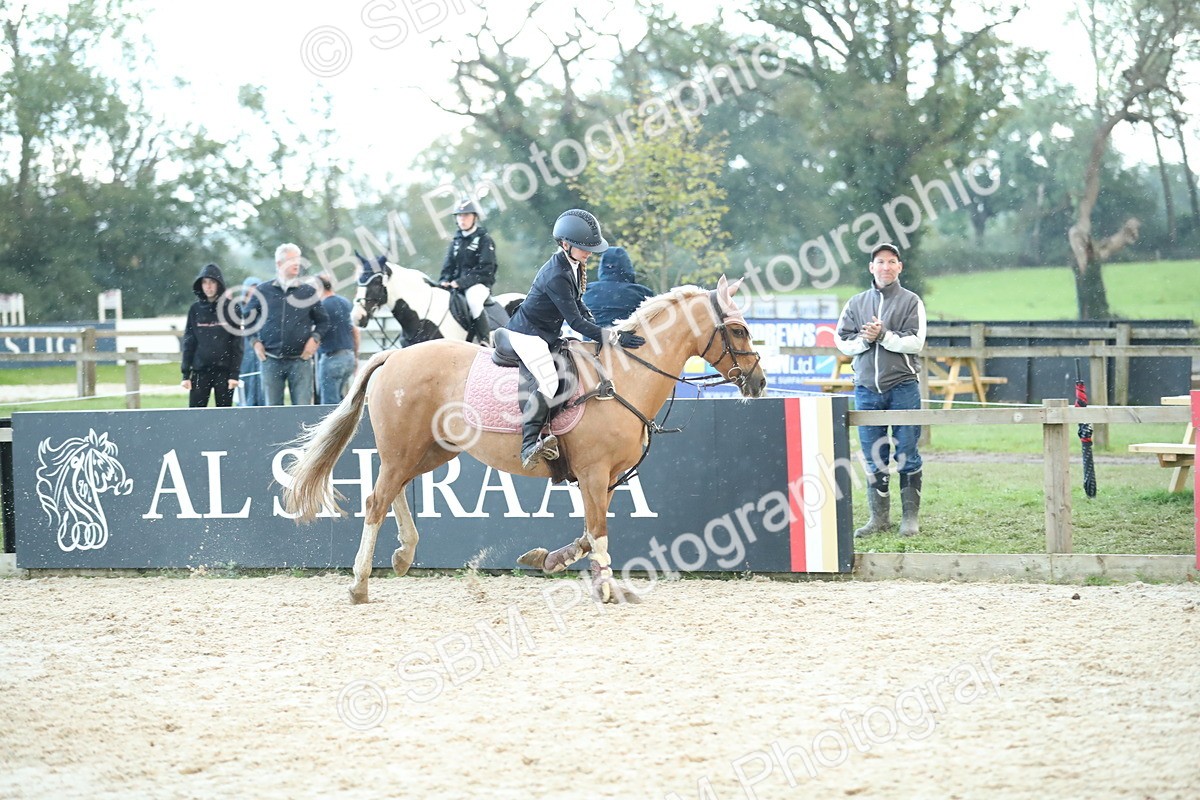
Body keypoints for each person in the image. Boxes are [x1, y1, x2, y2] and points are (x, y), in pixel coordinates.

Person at [500, 209, 645, 469]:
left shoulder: (574, 265)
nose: (589, 252)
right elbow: (576, 322)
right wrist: (613, 337)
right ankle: (529, 444)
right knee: (549, 379)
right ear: (565, 244)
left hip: (547, 333)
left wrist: (603, 330)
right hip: (528, 334)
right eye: (583, 247)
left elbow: (579, 306)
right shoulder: (556, 275)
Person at [834, 242, 927, 538]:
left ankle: (909, 519)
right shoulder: (855, 302)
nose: (885, 267)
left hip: (903, 387)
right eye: (880, 262)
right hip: (865, 390)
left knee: (907, 452)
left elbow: (916, 342)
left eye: (891, 262)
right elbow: (842, 341)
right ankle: (879, 519)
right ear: (871, 267)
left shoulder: (912, 301)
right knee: (873, 456)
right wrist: (866, 340)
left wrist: (884, 335)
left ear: (899, 267)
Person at [243, 243, 330, 406]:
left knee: (302, 412)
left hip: (301, 361)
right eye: (292, 260)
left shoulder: (308, 292)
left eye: (298, 259)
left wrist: (315, 339)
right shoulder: (263, 290)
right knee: (272, 413)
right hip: (270, 360)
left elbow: (323, 321)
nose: (297, 263)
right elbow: (247, 319)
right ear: (279, 264)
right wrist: (254, 342)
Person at [180, 263, 243, 408]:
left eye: (212, 282)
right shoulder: (195, 310)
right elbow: (189, 342)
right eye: (205, 282)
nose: (208, 286)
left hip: (224, 373)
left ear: (219, 284)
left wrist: (234, 374)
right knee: (196, 415)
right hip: (200, 372)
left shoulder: (232, 308)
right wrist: (186, 374)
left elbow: (237, 344)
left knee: (224, 416)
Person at [439, 198, 498, 344]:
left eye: (466, 215)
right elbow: (448, 266)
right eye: (459, 216)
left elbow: (486, 269)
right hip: (456, 285)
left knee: (474, 301)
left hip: (478, 285)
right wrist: (444, 280)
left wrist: (461, 282)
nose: (462, 219)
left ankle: (485, 339)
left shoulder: (484, 239)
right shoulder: (455, 241)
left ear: (475, 217)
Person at [581, 246, 655, 327]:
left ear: (601, 267)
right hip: (628, 338)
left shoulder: (586, 291)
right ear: (627, 266)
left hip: (593, 338)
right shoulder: (641, 293)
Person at [315, 273, 359, 404]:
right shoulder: (345, 302)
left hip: (331, 359)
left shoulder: (321, 307)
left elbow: (317, 334)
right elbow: (355, 331)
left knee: (329, 403)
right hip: (348, 357)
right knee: (340, 399)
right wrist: (355, 356)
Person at [236, 276, 265, 406]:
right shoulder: (237, 314)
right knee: (245, 386)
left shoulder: (265, 315)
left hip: (261, 356)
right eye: (249, 294)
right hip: (243, 357)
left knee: (262, 387)